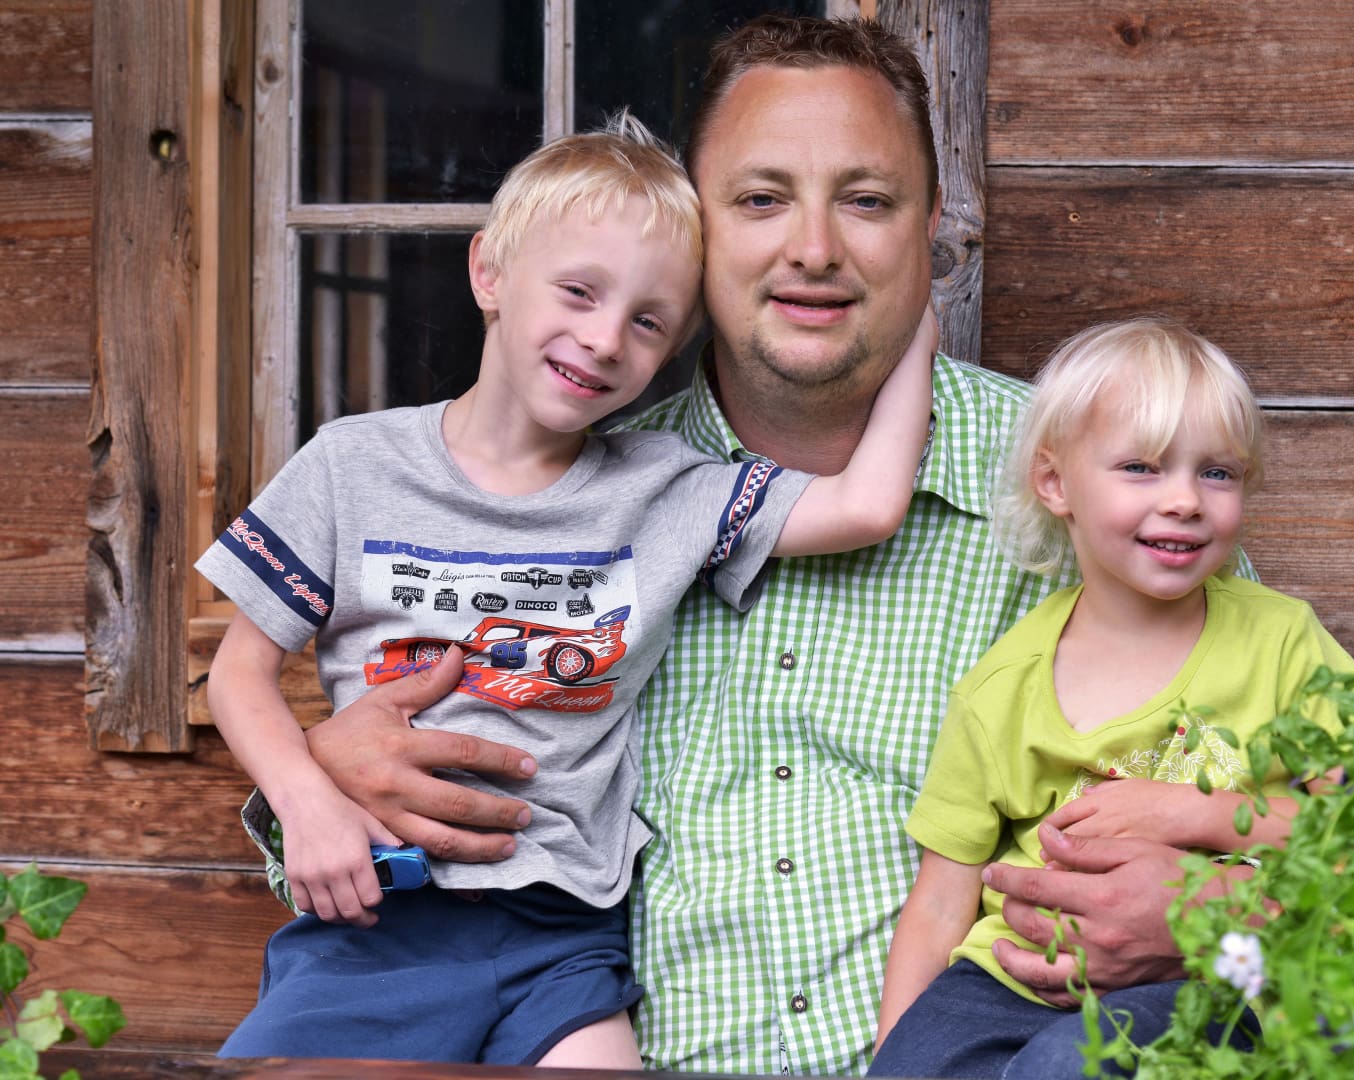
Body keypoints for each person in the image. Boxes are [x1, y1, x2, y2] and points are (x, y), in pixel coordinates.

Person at [276, 16, 1255, 1075]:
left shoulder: (1106, 498)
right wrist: (316, 780)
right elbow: (427, 855)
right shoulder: (575, 515)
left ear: (932, 224)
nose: (815, 249)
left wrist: (1227, 903)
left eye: (866, 200)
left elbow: (1337, 832)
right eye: (760, 199)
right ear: (697, 230)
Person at [196, 112, 936, 1068]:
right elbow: (238, 673)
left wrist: (914, 321)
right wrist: (305, 801)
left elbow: (869, 506)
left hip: (561, 939)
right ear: (490, 273)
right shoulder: (352, 465)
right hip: (374, 924)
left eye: (647, 322)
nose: (603, 339)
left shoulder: (664, 489)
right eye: (579, 292)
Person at [869, 317, 1354, 1078]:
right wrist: (895, 1053)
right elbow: (942, 901)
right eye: (1141, 467)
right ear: (1054, 483)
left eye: (1217, 473)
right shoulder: (1001, 686)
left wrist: (1197, 816)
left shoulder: (1280, 643)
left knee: (1068, 1063)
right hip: (1013, 978)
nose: (1185, 500)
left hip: (1207, 974)